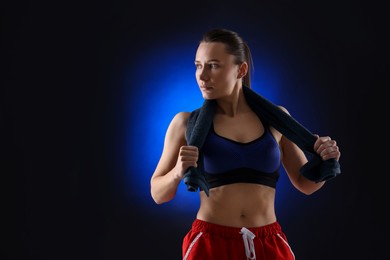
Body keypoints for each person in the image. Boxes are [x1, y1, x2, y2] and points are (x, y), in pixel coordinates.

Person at [150, 28, 341, 260]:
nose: (202, 76)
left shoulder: (277, 119)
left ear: (241, 70)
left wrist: (326, 160)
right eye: (198, 65)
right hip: (210, 243)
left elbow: (305, 184)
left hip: (268, 242)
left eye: (213, 65)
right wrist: (178, 173)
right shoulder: (185, 123)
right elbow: (158, 194)